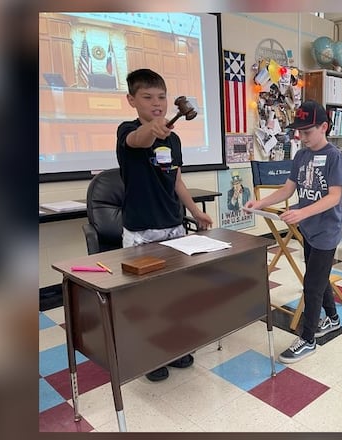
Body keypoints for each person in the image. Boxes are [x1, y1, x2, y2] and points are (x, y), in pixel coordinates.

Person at [116, 68, 213, 382]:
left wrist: (195, 213)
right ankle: (149, 354)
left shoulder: (173, 138)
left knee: (174, 293)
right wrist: (153, 128)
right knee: (146, 298)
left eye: (161, 97)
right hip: (141, 230)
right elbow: (138, 139)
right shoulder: (127, 131)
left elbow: (177, 181)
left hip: (174, 226)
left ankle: (172, 346)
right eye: (147, 97)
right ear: (132, 100)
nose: (156, 103)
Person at [245, 100, 342, 364]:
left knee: (311, 285)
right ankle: (333, 319)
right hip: (310, 229)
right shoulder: (301, 156)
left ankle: (308, 338)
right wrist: (260, 203)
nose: (301, 137)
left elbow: (335, 197)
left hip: (326, 230)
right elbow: (287, 189)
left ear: (324, 127)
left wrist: (303, 212)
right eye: (299, 132)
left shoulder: (334, 156)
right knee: (318, 276)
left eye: (307, 132)